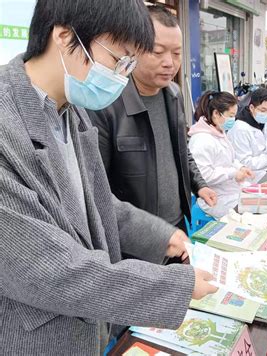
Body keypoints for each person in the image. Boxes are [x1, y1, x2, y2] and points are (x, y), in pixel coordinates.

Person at [0, 1, 217, 354]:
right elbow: (48, 269)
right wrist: (172, 287)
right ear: (65, 37)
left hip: (88, 332)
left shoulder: (72, 111)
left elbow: (100, 205)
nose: (122, 74)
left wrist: (165, 236)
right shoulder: (6, 124)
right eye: (119, 59)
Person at [87, 4, 216, 235]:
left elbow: (181, 150)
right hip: (136, 237)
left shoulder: (173, 94)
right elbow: (97, 188)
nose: (169, 62)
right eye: (158, 52)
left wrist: (199, 185)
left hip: (177, 226)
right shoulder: (106, 105)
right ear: (132, 49)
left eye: (176, 53)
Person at [188, 91, 254, 218]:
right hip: (215, 198)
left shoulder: (218, 131)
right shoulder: (201, 140)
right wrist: (232, 173)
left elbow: (230, 159)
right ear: (216, 113)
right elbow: (203, 176)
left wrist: (240, 168)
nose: (233, 120)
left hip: (229, 191)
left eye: (234, 116)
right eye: (230, 116)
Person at [227, 88, 267, 180]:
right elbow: (245, 162)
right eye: (263, 110)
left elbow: (262, 146)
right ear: (252, 108)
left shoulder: (256, 122)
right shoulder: (241, 129)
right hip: (248, 179)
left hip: (259, 173)